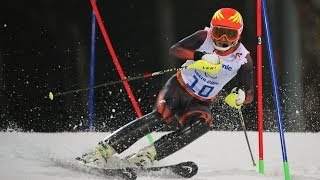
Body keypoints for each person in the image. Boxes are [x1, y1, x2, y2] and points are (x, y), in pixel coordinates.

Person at [77, 7, 254, 169]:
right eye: (219, 32)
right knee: (160, 116)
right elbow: (175, 50)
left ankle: (146, 156)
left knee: (203, 124)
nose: (223, 39)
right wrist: (199, 56)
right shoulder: (203, 37)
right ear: (212, 28)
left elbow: (248, 93)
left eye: (229, 34)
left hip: (201, 102)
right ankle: (102, 151)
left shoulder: (243, 58)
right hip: (179, 88)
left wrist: (240, 97)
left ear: (238, 34)